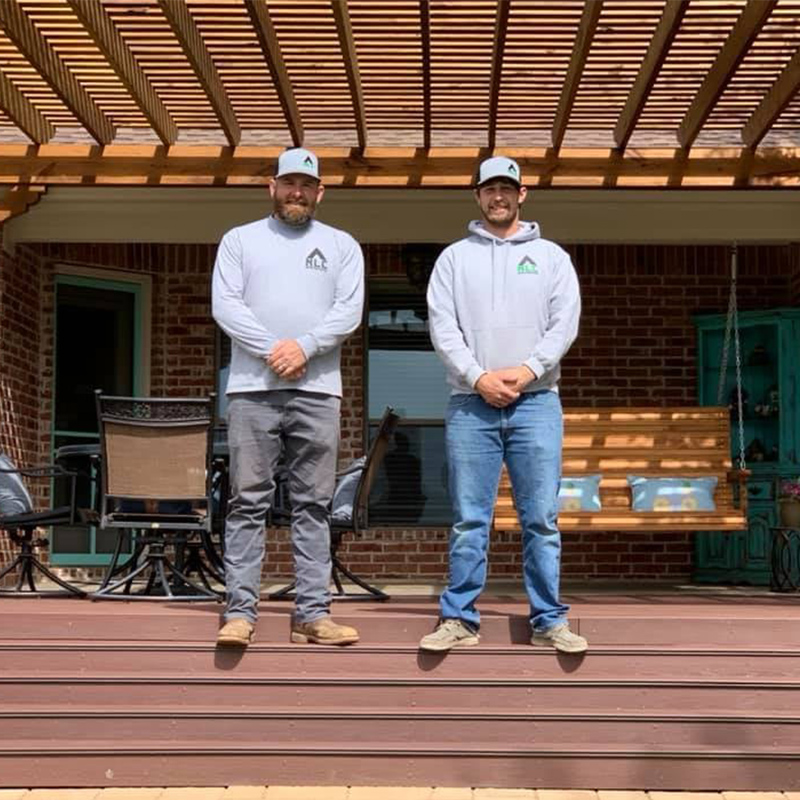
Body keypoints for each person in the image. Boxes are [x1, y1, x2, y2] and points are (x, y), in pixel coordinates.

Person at [420, 156, 587, 654]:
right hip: (471, 405)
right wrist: (479, 377)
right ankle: (459, 620)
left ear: (522, 194)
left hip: (537, 404)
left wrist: (530, 369)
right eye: (490, 188)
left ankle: (549, 621)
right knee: (470, 517)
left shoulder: (552, 257)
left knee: (540, 518)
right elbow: (442, 327)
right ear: (477, 195)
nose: (499, 196)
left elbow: (565, 322)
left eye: (507, 188)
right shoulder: (453, 259)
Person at [212, 147, 364, 648]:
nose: (296, 192)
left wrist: (304, 347)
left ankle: (312, 615)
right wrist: (272, 350)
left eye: (306, 185)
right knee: (247, 501)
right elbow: (225, 305)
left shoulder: (342, 245)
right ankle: (239, 613)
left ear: (320, 192)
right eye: (288, 183)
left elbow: (349, 311)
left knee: (313, 505)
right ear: (271, 187)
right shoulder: (240, 240)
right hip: (253, 390)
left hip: (317, 392)